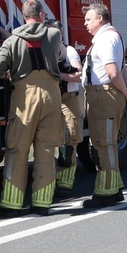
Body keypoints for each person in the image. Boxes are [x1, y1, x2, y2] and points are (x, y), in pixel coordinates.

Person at [0, 0, 66, 217]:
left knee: (17, 150)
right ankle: (42, 203)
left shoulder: (13, 40)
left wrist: (8, 71)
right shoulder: (54, 35)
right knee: (47, 150)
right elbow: (61, 57)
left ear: (23, 17)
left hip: (25, 98)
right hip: (51, 95)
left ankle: (11, 204)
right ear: (41, 15)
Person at [82, 3, 127, 208]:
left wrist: (124, 92)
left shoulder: (106, 39)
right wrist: (126, 92)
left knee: (103, 145)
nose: (85, 23)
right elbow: (122, 69)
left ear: (100, 18)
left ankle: (105, 193)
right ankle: (114, 189)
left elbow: (113, 71)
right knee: (109, 144)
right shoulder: (111, 37)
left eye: (88, 19)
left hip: (103, 95)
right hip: (106, 95)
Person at [45, 20, 84, 197]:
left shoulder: (69, 51)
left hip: (68, 99)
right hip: (52, 100)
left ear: (60, 34)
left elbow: (78, 75)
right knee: (49, 139)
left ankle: (65, 184)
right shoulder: (45, 51)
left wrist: (56, 75)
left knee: (69, 139)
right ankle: (50, 179)